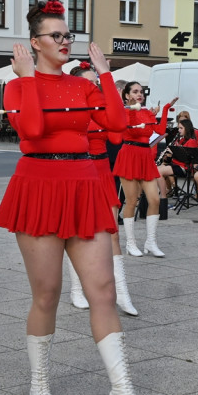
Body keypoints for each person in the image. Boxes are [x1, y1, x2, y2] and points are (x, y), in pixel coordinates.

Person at [0, 0, 158, 395]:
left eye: (69, 34)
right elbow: (30, 129)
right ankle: (39, 383)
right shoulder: (16, 85)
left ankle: (123, 391)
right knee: (46, 294)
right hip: (40, 186)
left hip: (85, 184)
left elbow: (119, 125)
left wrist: (105, 76)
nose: (66, 41)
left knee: (102, 290)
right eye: (57, 36)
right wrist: (28, 78)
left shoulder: (83, 84)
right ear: (35, 43)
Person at [66, 63, 140, 315]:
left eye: (95, 82)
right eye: (89, 82)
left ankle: (122, 294)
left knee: (113, 235)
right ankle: (77, 290)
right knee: (77, 236)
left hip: (102, 174)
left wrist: (115, 105)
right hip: (79, 173)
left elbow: (117, 139)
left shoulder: (99, 110)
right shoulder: (69, 113)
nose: (93, 85)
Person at [114, 81, 175, 258]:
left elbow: (160, 130)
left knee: (154, 199)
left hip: (145, 157)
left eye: (141, 91)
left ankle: (151, 241)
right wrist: (133, 110)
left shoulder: (147, 112)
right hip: (130, 154)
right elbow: (132, 132)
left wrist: (165, 110)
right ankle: (130, 243)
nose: (140, 94)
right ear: (126, 96)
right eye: (135, 91)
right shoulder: (124, 111)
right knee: (131, 201)